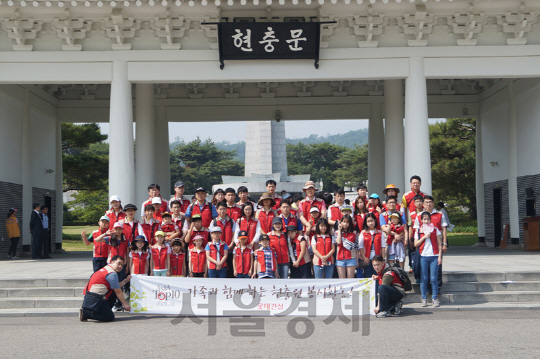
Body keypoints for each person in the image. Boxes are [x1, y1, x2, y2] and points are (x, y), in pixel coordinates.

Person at [79, 255, 131, 322]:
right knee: (109, 317)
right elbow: (118, 291)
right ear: (112, 262)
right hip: (95, 298)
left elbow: (116, 286)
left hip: (90, 295)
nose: (120, 266)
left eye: (122, 265)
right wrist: (125, 304)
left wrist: (126, 280)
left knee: (113, 293)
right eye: (118, 263)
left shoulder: (106, 269)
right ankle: (85, 313)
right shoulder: (112, 274)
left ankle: (101, 310)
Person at [413, 195, 448, 291]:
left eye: (430, 202)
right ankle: (427, 289)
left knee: (438, 268)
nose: (428, 204)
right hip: (424, 247)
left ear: (433, 203)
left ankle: (438, 289)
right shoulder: (419, 215)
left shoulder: (440, 214)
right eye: (426, 202)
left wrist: (444, 244)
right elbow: (416, 230)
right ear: (423, 204)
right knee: (424, 270)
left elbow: (444, 229)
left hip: (437, 246)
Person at [414, 211, 443, 307]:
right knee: (424, 278)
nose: (426, 221)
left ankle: (434, 298)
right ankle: (424, 298)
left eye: (428, 219)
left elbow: (439, 244)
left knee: (434, 278)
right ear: (421, 220)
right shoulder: (418, 231)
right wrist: (424, 237)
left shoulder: (435, 229)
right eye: (424, 219)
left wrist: (439, 256)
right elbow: (415, 244)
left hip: (434, 256)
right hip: (423, 256)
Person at [209, 201, 237, 277]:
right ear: (217, 210)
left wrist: (231, 245)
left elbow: (234, 234)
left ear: (227, 209)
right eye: (220, 209)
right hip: (219, 251)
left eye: (224, 209)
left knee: (230, 272)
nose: (222, 211)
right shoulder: (214, 222)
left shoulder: (232, 221)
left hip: (230, 250)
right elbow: (212, 235)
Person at [358, 212, 386, 278]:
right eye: (368, 221)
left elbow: (383, 246)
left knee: (377, 277)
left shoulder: (379, 233)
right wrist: (364, 257)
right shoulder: (363, 233)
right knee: (368, 276)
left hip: (377, 259)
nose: (370, 223)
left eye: (372, 221)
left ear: (375, 221)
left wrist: (383, 259)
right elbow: (360, 246)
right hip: (367, 259)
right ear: (366, 222)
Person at [334, 214, 358, 279]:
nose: (345, 224)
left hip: (351, 258)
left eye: (347, 222)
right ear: (341, 222)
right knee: (342, 280)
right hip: (340, 258)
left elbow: (356, 248)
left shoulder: (354, 233)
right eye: (344, 221)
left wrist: (357, 260)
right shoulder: (336, 233)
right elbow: (338, 242)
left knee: (350, 280)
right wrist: (339, 230)